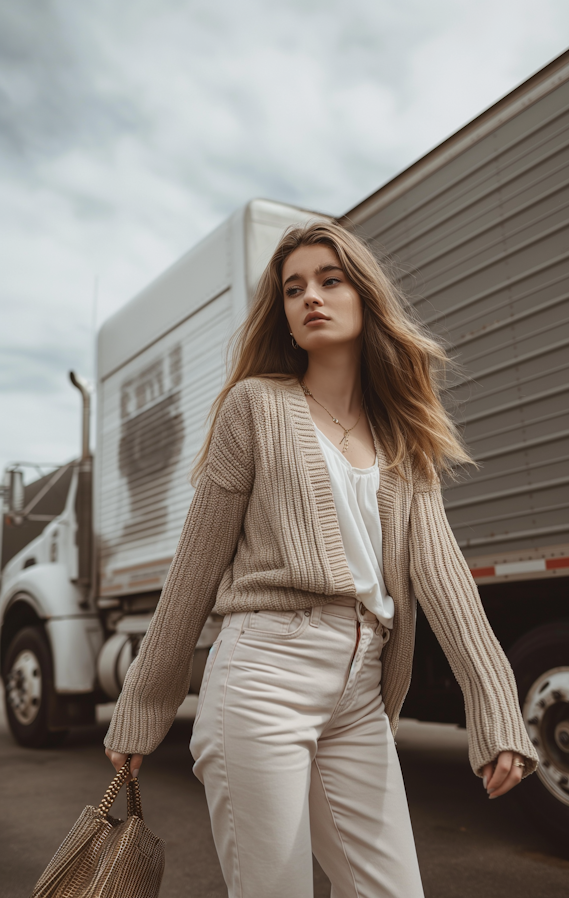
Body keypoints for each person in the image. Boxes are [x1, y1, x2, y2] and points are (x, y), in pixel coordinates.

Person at [105, 221, 538, 898]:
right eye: (293, 288)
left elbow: (445, 577)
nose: (311, 297)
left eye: (330, 280)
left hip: (360, 692)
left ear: (364, 296)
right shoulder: (256, 408)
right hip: (261, 676)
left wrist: (495, 708)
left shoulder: (402, 438)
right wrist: (142, 706)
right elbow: (194, 570)